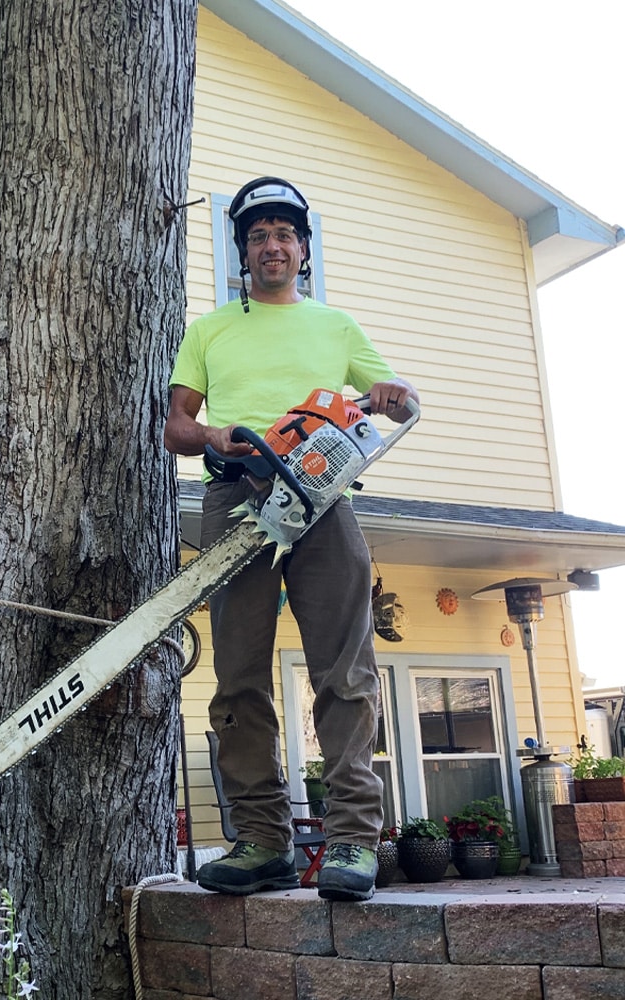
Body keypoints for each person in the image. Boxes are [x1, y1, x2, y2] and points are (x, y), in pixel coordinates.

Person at [163, 177, 419, 902]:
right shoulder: (210, 330)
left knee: (345, 669)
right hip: (237, 494)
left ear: (303, 250)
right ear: (243, 252)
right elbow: (176, 426)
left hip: (322, 494)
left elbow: (396, 396)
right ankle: (263, 842)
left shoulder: (336, 327)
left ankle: (351, 843)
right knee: (239, 676)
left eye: (284, 234)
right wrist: (215, 433)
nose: (272, 246)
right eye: (257, 235)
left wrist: (396, 392)